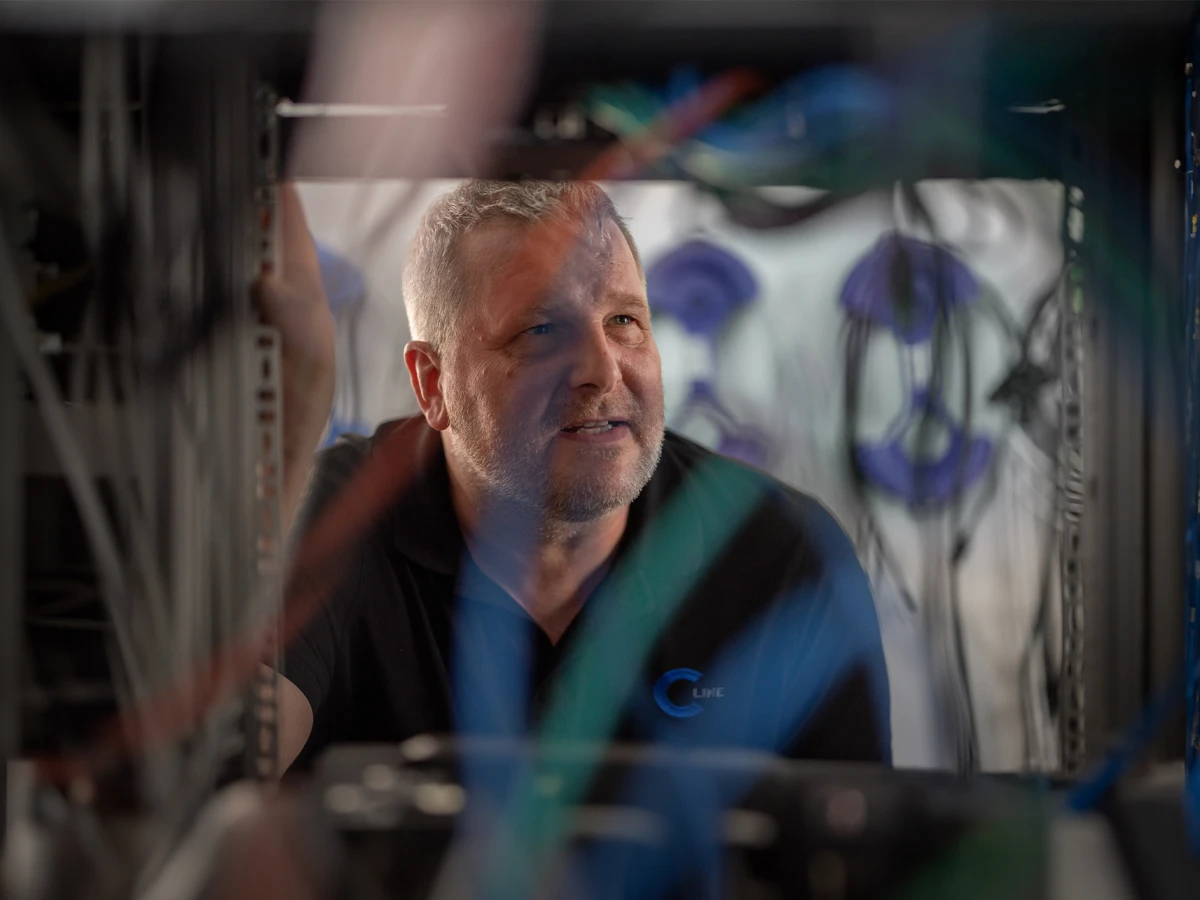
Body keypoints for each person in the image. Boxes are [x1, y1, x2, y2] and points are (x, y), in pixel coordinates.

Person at [261, 180, 891, 773]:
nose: (602, 371)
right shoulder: (333, 515)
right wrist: (283, 445)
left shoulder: (777, 553)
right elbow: (219, 780)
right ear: (433, 383)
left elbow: (858, 855)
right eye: (541, 330)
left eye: (624, 321)